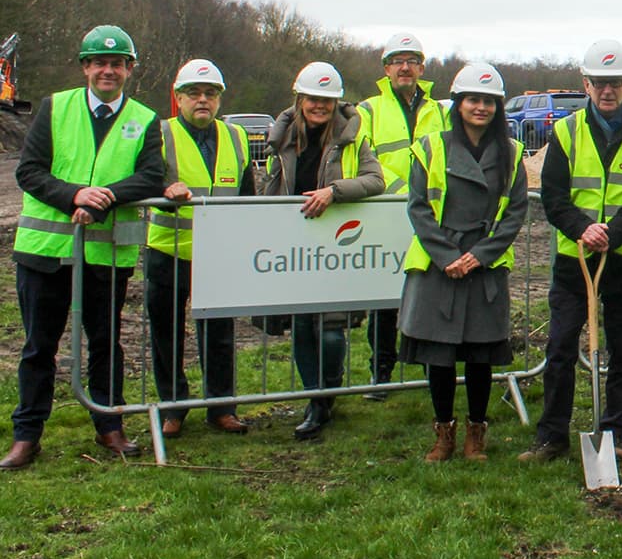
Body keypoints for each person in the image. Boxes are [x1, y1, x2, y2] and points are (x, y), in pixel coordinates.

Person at [2, 25, 164, 469]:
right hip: (45, 254)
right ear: (86, 67)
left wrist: (104, 197)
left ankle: (109, 426)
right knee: (38, 347)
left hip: (105, 256)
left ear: (129, 69)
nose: (107, 70)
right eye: (99, 62)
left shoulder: (146, 119)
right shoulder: (56, 108)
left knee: (106, 344)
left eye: (117, 63)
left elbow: (151, 177)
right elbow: (30, 172)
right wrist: (74, 194)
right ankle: (26, 436)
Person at [520, 40, 622, 463]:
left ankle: (615, 433)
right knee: (561, 347)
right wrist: (584, 230)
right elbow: (554, 195)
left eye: (615, 82)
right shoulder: (566, 132)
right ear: (586, 83)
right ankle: (552, 436)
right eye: (599, 82)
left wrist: (611, 234)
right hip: (575, 261)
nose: (607, 90)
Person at [399, 64, 527, 462]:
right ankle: (443, 433)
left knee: (479, 355)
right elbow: (418, 207)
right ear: (458, 103)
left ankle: (476, 432)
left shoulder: (512, 152)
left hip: (483, 266)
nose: (481, 107)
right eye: (473, 99)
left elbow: (515, 213)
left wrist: (479, 256)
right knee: (438, 354)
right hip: (440, 265)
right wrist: (448, 257)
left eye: (489, 101)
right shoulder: (430, 147)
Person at [262, 61, 384, 439]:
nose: (320, 106)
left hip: (335, 247)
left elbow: (375, 180)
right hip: (294, 248)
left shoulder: (354, 136)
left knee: (331, 333)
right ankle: (317, 402)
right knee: (301, 328)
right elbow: (269, 186)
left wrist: (334, 192)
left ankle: (327, 392)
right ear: (300, 99)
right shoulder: (280, 138)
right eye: (313, 99)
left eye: (327, 101)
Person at [146, 59, 254, 438]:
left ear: (220, 99)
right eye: (194, 93)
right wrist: (163, 191)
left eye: (210, 93)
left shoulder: (237, 137)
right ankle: (173, 408)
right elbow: (143, 181)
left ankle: (221, 407)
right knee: (166, 333)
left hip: (218, 252)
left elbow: (247, 196)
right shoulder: (160, 134)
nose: (203, 100)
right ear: (178, 98)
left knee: (220, 333)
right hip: (169, 250)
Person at [355, 33, 448, 400]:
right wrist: (402, 192)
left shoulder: (440, 111)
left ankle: (429, 367)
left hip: (430, 216)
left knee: (428, 293)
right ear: (386, 69)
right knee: (383, 300)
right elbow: (364, 158)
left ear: (422, 68)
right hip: (385, 211)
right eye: (398, 60)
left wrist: (425, 196)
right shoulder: (369, 110)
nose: (405, 67)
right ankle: (381, 373)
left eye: (412, 60)